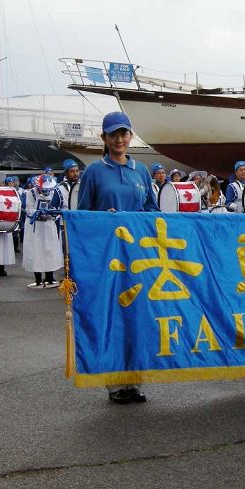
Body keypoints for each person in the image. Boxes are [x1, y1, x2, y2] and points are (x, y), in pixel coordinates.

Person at [78, 110, 159, 405]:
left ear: (130, 136)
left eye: (124, 133)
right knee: (112, 319)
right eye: (114, 134)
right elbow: (83, 216)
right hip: (108, 259)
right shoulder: (94, 172)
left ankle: (135, 382)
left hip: (137, 257)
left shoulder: (141, 171)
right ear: (104, 138)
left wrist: (139, 219)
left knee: (137, 320)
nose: (120, 139)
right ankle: (114, 385)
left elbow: (152, 209)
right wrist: (104, 219)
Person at [22, 174, 63, 288]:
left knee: (49, 250)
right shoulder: (31, 193)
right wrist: (38, 213)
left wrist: (52, 215)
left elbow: (57, 209)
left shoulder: (54, 192)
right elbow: (28, 209)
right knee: (36, 250)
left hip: (48, 226)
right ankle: (38, 278)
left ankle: (50, 277)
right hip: (35, 227)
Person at [50, 159, 80, 254]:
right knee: (67, 255)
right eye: (72, 171)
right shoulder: (59, 189)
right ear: (66, 174)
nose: (75, 173)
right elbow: (53, 209)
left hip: (81, 224)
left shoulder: (83, 186)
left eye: (77, 171)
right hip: (66, 228)